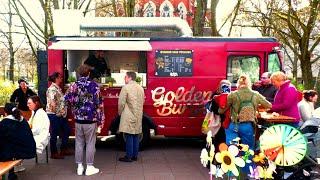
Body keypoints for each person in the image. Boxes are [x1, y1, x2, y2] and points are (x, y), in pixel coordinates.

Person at [218, 74, 271, 173]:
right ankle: (248, 171)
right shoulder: (255, 94)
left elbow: (221, 110)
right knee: (248, 149)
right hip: (248, 126)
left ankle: (231, 172)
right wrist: (255, 105)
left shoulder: (233, 94)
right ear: (249, 83)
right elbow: (268, 105)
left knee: (232, 149)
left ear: (238, 83)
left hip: (233, 125)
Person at [65, 64, 104, 176]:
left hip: (78, 119)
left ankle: (79, 166)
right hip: (91, 119)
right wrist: (101, 120)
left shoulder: (73, 85)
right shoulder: (94, 85)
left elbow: (66, 99)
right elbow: (99, 104)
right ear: (89, 73)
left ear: (78, 73)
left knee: (79, 143)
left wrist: (75, 107)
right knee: (90, 143)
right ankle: (90, 167)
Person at [0, 103, 36, 180]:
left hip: (16, 152)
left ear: (6, 112)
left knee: (5, 147)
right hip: (28, 150)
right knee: (8, 144)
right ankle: (11, 174)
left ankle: (10, 174)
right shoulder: (23, 121)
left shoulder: (5, 122)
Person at [118, 71, 145, 162]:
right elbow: (143, 101)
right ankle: (135, 156)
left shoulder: (125, 88)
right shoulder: (140, 88)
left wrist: (119, 112)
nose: (124, 78)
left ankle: (128, 156)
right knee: (136, 135)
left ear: (130, 78)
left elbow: (121, 102)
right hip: (138, 115)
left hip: (128, 115)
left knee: (129, 135)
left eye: (125, 77)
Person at [46, 72, 72, 159]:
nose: (61, 79)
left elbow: (61, 100)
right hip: (55, 115)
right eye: (60, 77)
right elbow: (53, 103)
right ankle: (54, 153)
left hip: (60, 115)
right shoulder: (52, 89)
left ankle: (63, 149)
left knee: (67, 130)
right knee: (54, 133)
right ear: (56, 78)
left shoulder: (57, 88)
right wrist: (57, 113)